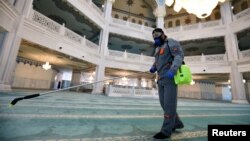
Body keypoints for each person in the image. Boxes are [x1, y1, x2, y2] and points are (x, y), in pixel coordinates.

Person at [149, 28, 184, 139]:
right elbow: (158, 61)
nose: (156, 39)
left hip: (170, 78)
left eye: (158, 37)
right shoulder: (158, 48)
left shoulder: (171, 42)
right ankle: (176, 123)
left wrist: (172, 71)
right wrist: (153, 67)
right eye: (154, 38)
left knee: (169, 105)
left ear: (163, 35)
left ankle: (166, 131)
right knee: (164, 104)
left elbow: (179, 56)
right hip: (160, 79)